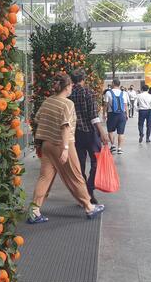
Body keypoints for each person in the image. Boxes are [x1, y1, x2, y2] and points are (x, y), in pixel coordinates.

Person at [28, 74, 105, 224]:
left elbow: (37, 119)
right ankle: (89, 207)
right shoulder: (67, 104)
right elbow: (65, 128)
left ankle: (34, 210)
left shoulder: (47, 101)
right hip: (62, 145)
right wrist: (65, 148)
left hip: (47, 145)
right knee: (76, 176)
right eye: (70, 87)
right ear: (68, 87)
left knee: (44, 178)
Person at [69, 69, 109, 205]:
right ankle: (89, 189)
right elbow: (93, 116)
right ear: (83, 79)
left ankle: (83, 193)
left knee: (79, 165)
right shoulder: (88, 92)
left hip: (75, 134)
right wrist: (102, 132)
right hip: (90, 133)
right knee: (96, 161)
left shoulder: (68, 94)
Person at [104, 78, 128, 154]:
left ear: (113, 83)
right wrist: (126, 114)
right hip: (122, 114)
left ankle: (113, 145)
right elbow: (125, 105)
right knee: (121, 133)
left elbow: (105, 105)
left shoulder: (108, 93)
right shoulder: (124, 93)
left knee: (110, 131)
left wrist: (104, 113)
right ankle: (120, 148)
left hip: (112, 114)